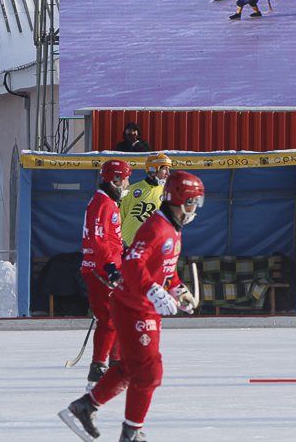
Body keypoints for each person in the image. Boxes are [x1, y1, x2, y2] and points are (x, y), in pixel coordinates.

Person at [60, 171, 205, 442]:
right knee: (149, 370)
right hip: (133, 305)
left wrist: (178, 290)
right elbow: (134, 265)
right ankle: (131, 432)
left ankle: (85, 407)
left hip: (143, 305)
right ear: (177, 200)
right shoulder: (156, 228)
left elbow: (166, 270)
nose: (194, 209)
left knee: (129, 366)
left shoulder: (174, 228)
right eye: (191, 202)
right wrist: (154, 291)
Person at [80, 159, 130, 386]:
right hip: (100, 270)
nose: (128, 182)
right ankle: (98, 368)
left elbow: (109, 237)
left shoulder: (109, 201)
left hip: (109, 266)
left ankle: (117, 363)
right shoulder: (102, 202)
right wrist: (111, 267)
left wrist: (123, 249)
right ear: (115, 179)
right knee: (108, 320)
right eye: (126, 177)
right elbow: (98, 240)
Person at [121, 154, 171, 248]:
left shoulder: (167, 193)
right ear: (153, 169)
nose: (168, 173)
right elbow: (120, 218)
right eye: (164, 168)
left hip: (152, 247)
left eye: (168, 169)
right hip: (127, 246)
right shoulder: (131, 190)